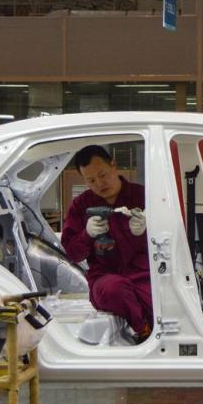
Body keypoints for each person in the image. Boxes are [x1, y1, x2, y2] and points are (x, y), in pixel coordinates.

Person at [61, 145, 152, 343]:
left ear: (113, 165)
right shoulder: (81, 206)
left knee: (158, 302)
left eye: (102, 175)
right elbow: (73, 253)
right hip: (104, 277)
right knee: (113, 290)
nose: (99, 183)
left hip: (143, 274)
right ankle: (143, 331)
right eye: (91, 180)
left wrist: (148, 230)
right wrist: (87, 234)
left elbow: (171, 239)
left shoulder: (145, 196)